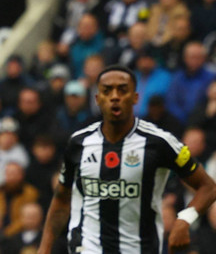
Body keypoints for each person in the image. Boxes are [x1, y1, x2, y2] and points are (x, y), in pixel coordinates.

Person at [37, 64, 216, 254]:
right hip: (87, 247)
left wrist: (184, 220)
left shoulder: (160, 142)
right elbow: (62, 199)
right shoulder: (78, 143)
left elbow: (208, 187)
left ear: (135, 98)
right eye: (107, 91)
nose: (115, 96)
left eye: (123, 90)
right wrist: (44, 248)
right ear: (98, 99)